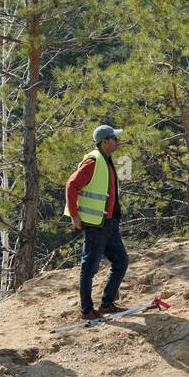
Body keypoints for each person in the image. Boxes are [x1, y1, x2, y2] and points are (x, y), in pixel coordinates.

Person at [66, 124, 129, 320]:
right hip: (95, 225)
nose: (117, 141)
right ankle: (86, 311)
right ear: (105, 141)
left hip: (108, 223)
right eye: (114, 138)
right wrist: (74, 215)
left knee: (121, 261)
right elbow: (71, 185)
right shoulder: (94, 161)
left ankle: (107, 304)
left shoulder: (106, 160)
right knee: (89, 268)